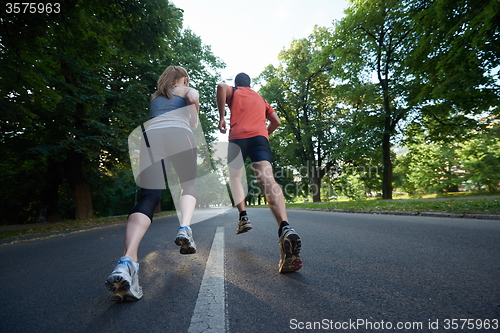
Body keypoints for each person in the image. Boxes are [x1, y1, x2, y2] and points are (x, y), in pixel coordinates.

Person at [105, 66, 200, 301]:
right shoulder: (187, 89)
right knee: (187, 184)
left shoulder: (155, 96)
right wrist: (193, 117)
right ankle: (185, 227)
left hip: (150, 137)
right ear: (184, 78)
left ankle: (126, 261)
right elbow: (193, 105)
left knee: (149, 197)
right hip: (180, 133)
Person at [216, 72, 302, 274]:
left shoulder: (234, 91)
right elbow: (276, 121)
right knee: (267, 179)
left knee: (235, 177)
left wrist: (222, 117)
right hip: (259, 139)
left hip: (237, 138)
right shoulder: (260, 98)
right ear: (250, 84)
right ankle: (285, 226)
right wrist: (265, 134)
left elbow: (221, 87)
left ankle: (243, 216)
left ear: (237, 84)